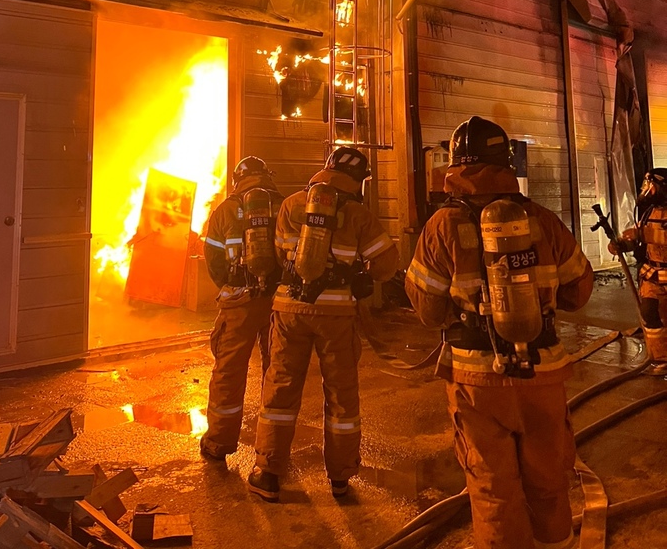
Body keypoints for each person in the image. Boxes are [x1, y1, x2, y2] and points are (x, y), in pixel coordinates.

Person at [405, 116, 593, 549]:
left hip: (475, 381)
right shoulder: (542, 220)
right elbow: (579, 292)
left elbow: (429, 312)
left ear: (454, 165)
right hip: (542, 375)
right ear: (506, 162)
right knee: (549, 478)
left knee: (493, 489)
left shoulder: (440, 227)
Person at [247, 146, 399, 502]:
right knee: (341, 395)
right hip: (336, 315)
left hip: (290, 308)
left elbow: (278, 252)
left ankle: (268, 473)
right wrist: (360, 272)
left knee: (281, 388)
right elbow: (386, 265)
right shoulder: (359, 214)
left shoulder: (291, 205)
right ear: (358, 180)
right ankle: (341, 478)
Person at [200, 156, 283, 461]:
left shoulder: (224, 210)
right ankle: (272, 447)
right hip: (278, 302)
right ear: (267, 175)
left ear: (237, 180)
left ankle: (219, 443)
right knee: (277, 371)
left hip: (239, 301)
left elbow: (213, 260)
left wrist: (230, 285)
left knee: (229, 371)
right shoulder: (284, 205)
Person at [609, 168, 667, 374]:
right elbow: (639, 240)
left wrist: (642, 233)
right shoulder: (648, 212)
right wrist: (623, 245)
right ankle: (661, 360)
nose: (646, 190)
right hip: (652, 275)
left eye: (650, 185)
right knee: (649, 313)